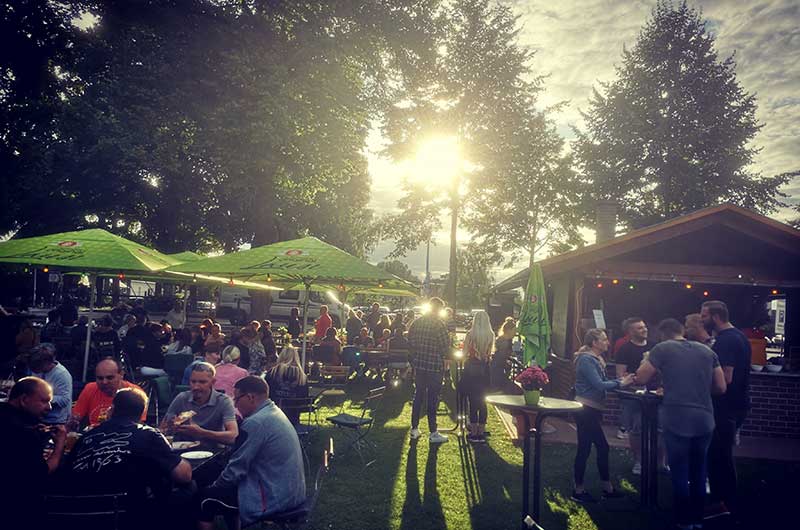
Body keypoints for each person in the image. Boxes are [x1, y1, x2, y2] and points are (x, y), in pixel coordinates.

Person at [635, 319, 727, 530]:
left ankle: (683, 520)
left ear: (663, 334)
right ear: (682, 331)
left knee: (680, 470)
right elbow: (721, 387)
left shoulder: (662, 348)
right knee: (699, 469)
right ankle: (697, 519)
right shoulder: (707, 352)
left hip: (677, 417)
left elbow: (641, 377)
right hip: (705, 418)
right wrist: (699, 390)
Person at [65, 388, 192, 520]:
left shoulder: (85, 437)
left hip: (81, 514)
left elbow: (66, 473)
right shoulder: (149, 434)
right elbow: (184, 475)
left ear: (111, 409)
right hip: (129, 513)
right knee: (189, 488)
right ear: (142, 412)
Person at [197, 376, 306, 529]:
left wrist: (214, 487)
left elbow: (236, 469)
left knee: (205, 499)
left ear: (250, 397)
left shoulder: (256, 422)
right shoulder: (273, 411)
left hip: (273, 499)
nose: (235, 404)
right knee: (219, 481)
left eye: (237, 399)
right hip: (289, 491)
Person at [701, 300, 752, 519]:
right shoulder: (738, 336)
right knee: (722, 454)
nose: (701, 320)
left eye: (704, 316)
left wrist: (700, 388)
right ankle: (725, 501)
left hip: (726, 407)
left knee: (719, 455)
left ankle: (721, 504)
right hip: (736, 405)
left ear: (715, 316)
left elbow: (726, 379)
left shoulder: (727, 340)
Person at [571, 328, 633, 502]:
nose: (608, 342)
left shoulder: (597, 359)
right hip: (585, 409)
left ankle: (587, 488)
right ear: (594, 342)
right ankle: (591, 489)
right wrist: (621, 382)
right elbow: (599, 385)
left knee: (585, 448)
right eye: (604, 339)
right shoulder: (586, 360)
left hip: (591, 408)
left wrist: (619, 382)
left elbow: (603, 384)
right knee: (599, 447)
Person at [0, 377, 67, 528]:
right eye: (44, 401)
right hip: (14, 511)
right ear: (24, 400)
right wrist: (60, 445)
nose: (49, 407)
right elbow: (43, 473)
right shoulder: (24, 432)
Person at [614, 317, 657, 473]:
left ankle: (660, 462)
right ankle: (639, 462)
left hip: (654, 394)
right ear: (630, 332)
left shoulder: (655, 346)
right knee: (637, 430)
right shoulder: (625, 349)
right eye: (639, 328)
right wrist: (637, 378)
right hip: (634, 397)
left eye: (644, 326)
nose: (644, 329)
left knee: (658, 429)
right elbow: (621, 375)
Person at [407, 297, 451, 444]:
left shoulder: (417, 322)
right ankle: (433, 432)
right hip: (433, 366)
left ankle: (414, 429)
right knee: (433, 399)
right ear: (439, 309)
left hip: (419, 365)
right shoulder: (439, 325)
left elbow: (410, 341)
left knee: (418, 396)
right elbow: (445, 347)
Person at [162, 362, 238, 446]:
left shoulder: (223, 401)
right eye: (193, 382)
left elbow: (233, 436)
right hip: (184, 448)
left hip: (213, 450)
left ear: (213, 382)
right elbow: (163, 428)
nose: (196, 387)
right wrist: (171, 427)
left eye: (202, 382)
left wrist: (202, 433)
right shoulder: (182, 398)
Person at [72, 358, 147, 428]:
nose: (104, 382)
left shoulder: (135, 394)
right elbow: (76, 417)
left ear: (121, 375)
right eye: (100, 378)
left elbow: (137, 426)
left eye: (110, 378)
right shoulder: (90, 388)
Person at [460, 310, 493, 443]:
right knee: (483, 401)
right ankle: (481, 430)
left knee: (472, 400)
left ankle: (473, 432)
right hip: (484, 370)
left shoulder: (470, 334)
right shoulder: (491, 334)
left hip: (471, 370)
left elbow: (465, 352)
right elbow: (489, 353)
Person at [265, 344, 309, 425]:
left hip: (274, 412)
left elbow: (266, 393)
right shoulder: (302, 376)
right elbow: (304, 399)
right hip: (293, 416)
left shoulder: (272, 372)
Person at [29, 345, 73, 425]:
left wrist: (42, 398)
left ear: (47, 362)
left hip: (56, 421)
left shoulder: (62, 374)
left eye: (39, 367)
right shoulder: (38, 369)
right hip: (39, 418)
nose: (37, 371)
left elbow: (65, 399)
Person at [491, 317, 515, 390]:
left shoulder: (503, 339)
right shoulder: (504, 342)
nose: (515, 333)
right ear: (509, 330)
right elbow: (501, 358)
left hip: (497, 368)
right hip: (498, 370)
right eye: (514, 331)